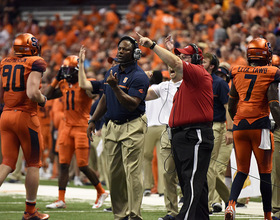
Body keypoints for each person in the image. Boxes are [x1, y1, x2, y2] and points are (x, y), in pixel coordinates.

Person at [137, 33, 214, 220]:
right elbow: (177, 65)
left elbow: (178, 65)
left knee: (192, 180)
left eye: (185, 56)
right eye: (180, 55)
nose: (180, 59)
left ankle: (184, 217)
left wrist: (153, 45)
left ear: (196, 59)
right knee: (193, 181)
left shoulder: (198, 72)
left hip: (194, 133)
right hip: (182, 135)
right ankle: (201, 217)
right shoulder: (184, 82)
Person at [80, 35, 150, 220]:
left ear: (135, 54)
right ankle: (120, 215)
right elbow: (105, 98)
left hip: (132, 125)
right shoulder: (112, 72)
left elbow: (132, 104)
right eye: (119, 48)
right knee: (114, 174)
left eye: (125, 49)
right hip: (112, 126)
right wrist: (93, 120)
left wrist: (115, 87)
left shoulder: (139, 76)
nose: (120, 51)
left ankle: (134, 214)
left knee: (132, 172)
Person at [44, 55, 108, 210]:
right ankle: (61, 199)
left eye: (69, 70)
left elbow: (95, 94)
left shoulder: (86, 83)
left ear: (78, 71)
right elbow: (45, 96)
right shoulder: (64, 84)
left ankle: (101, 192)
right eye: (64, 70)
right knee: (63, 164)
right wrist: (55, 80)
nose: (66, 74)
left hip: (81, 127)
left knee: (82, 165)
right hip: (66, 127)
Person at [226, 37, 280, 220]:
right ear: (265, 54)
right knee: (265, 172)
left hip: (239, 124)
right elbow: (274, 104)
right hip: (260, 125)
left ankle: (231, 205)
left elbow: (231, 105)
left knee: (242, 170)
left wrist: (238, 122)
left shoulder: (237, 71)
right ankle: (267, 216)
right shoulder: (271, 72)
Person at [0, 33, 49, 220]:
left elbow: (1, 91)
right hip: (26, 116)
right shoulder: (35, 62)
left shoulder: (5, 61)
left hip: (6, 115)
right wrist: (43, 99)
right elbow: (31, 92)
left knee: (7, 162)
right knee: (33, 164)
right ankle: (30, 212)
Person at [145, 35, 183, 220]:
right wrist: (140, 80)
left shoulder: (190, 83)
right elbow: (143, 95)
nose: (172, 68)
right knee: (168, 173)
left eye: (175, 66)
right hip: (168, 131)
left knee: (186, 173)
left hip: (186, 132)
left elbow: (179, 62)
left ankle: (189, 207)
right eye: (169, 67)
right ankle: (172, 211)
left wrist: (172, 49)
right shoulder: (164, 86)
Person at [202, 53, 233, 213]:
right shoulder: (199, 81)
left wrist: (229, 129)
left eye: (204, 61)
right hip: (201, 126)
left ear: (211, 66)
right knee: (209, 167)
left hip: (216, 126)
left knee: (210, 166)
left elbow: (228, 107)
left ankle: (207, 204)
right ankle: (229, 200)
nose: (201, 62)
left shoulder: (220, 83)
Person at [270, 54, 280, 220]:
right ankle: (277, 209)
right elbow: (272, 104)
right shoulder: (275, 83)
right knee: (276, 170)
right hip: (278, 127)